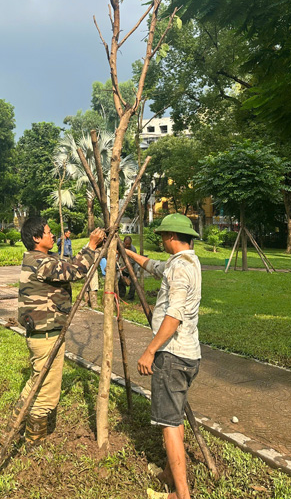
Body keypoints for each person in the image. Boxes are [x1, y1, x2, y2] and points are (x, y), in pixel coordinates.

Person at [122, 214, 201, 499]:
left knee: (169, 424)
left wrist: (150, 350)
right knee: (175, 418)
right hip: (190, 354)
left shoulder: (179, 270)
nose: (161, 241)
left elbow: (174, 316)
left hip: (172, 357)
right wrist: (126, 251)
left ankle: (181, 495)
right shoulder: (187, 262)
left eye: (162, 236)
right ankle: (170, 473)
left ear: (170, 237)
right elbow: (153, 266)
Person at [13, 217, 105, 446]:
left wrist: (91, 250)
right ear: (36, 238)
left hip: (42, 334)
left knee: (36, 381)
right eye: (47, 232)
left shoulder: (40, 259)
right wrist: (91, 246)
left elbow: (69, 264)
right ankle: (34, 441)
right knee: (47, 393)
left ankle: (15, 423)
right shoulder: (41, 262)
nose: (53, 235)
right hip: (46, 336)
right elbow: (75, 271)